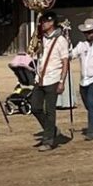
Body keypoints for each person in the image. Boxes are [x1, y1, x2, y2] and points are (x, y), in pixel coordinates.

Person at [29, 11, 70, 152]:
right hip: (40, 78)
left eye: (45, 21)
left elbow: (65, 62)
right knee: (35, 107)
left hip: (53, 78)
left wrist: (62, 81)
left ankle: (48, 140)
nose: (42, 24)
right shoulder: (42, 39)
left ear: (51, 22)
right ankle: (51, 129)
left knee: (50, 110)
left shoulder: (61, 40)